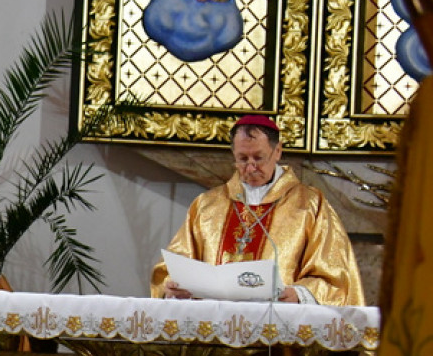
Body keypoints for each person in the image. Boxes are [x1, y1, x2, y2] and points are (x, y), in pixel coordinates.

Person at [150, 115, 364, 305]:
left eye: (258, 158)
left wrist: (299, 293)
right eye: (243, 159)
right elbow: (173, 268)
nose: (251, 168)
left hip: (279, 328)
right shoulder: (207, 205)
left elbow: (335, 276)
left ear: (277, 151)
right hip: (214, 325)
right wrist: (173, 287)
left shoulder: (309, 205)